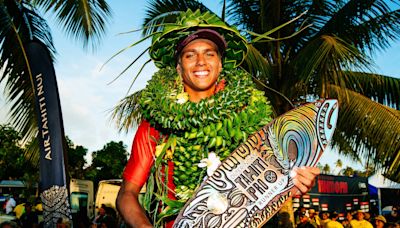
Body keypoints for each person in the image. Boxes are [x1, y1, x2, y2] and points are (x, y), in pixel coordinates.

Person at [116, 10, 321, 228]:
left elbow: (267, 186)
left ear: (220, 64)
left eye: (209, 53)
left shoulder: (251, 118)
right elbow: (126, 194)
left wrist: (294, 182)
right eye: (190, 55)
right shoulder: (156, 125)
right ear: (178, 68)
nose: (201, 62)